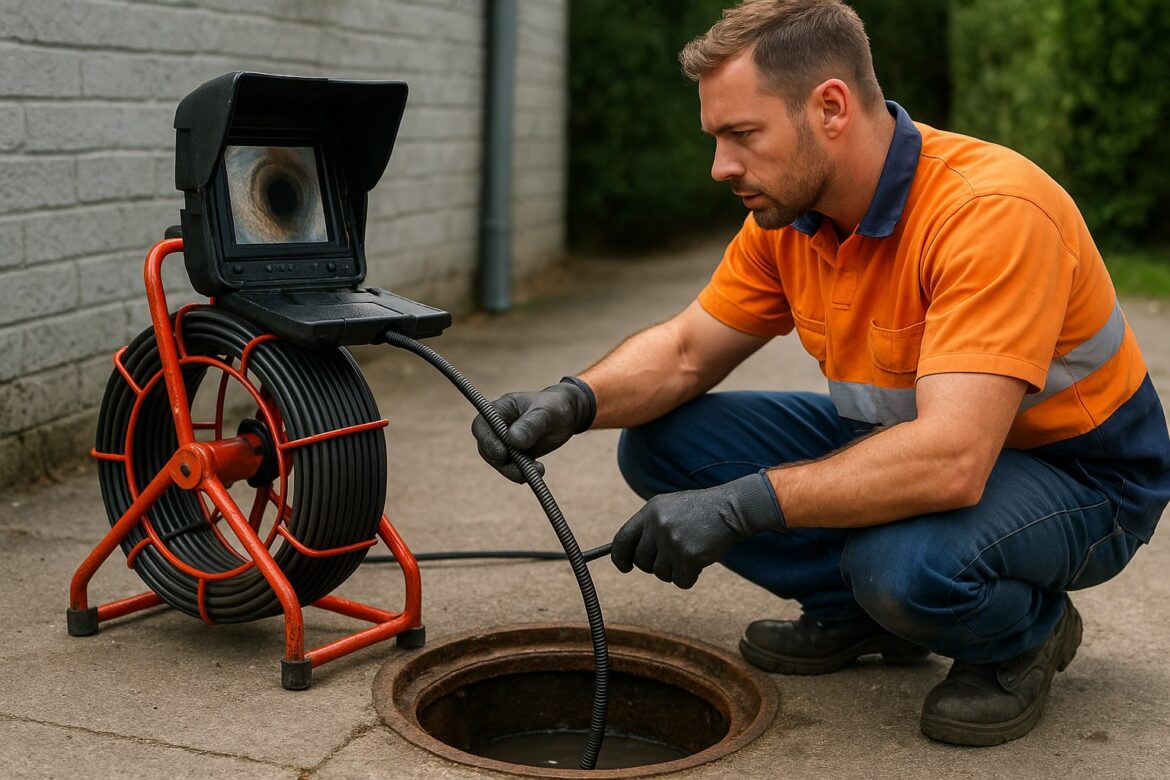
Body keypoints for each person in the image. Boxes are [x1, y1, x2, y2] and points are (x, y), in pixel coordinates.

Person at [471, 0, 1170, 747]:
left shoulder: (988, 212)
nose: (720, 167)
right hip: (918, 441)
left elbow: (954, 460)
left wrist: (741, 507)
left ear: (830, 107)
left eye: (742, 135)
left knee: (901, 567)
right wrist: (571, 401)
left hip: (1078, 478)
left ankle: (1024, 636)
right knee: (661, 447)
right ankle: (865, 618)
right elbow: (684, 351)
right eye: (716, 139)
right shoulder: (792, 218)